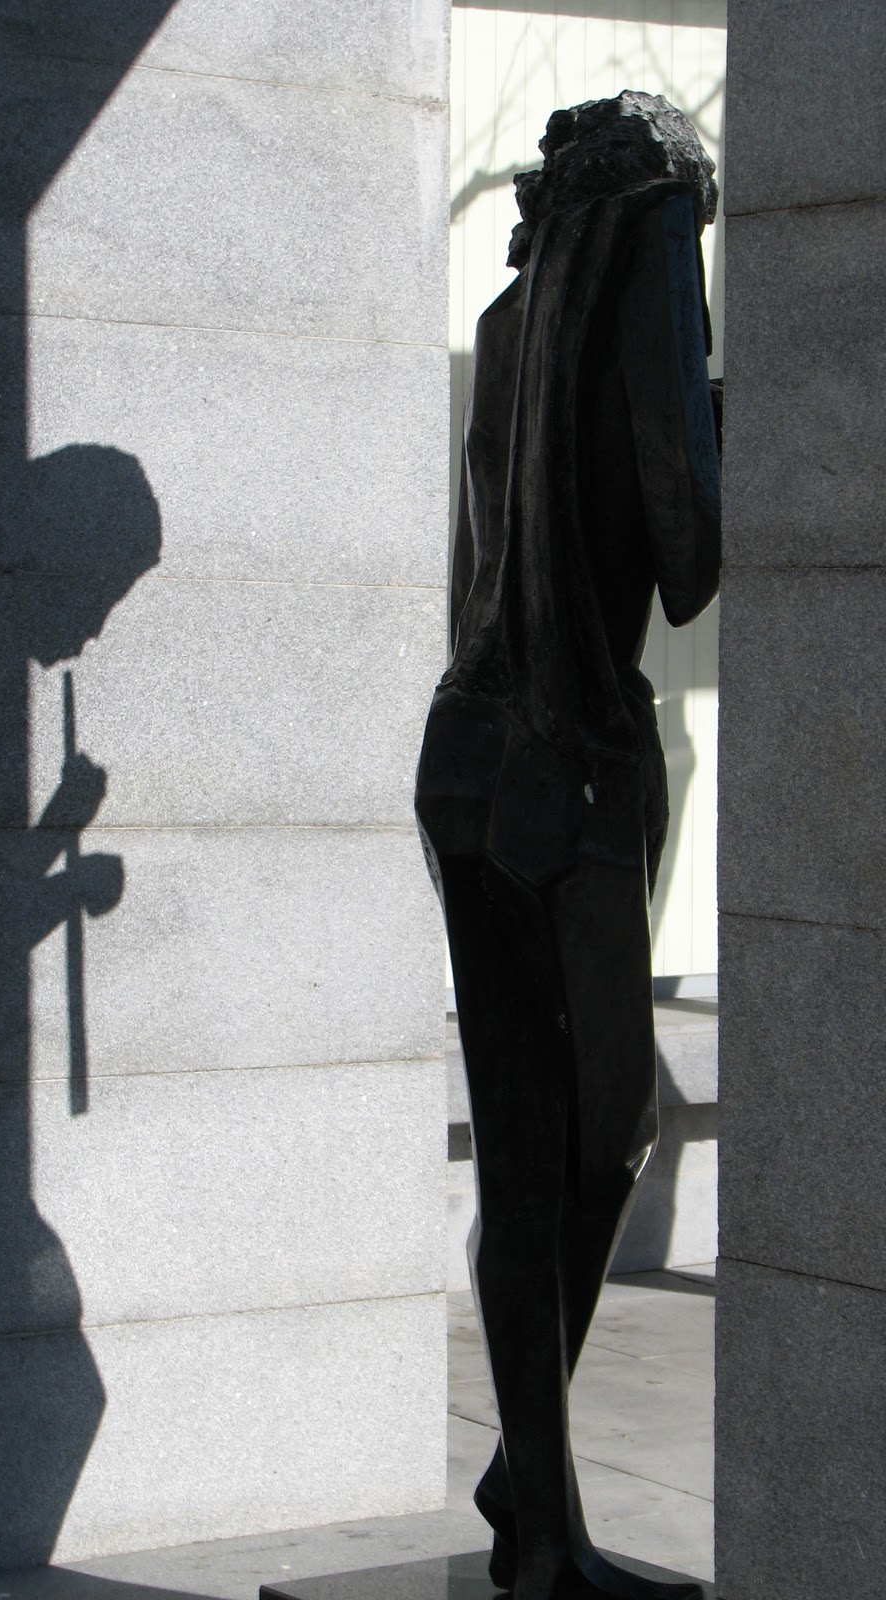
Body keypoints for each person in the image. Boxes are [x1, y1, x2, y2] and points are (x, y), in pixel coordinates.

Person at [415, 92, 721, 1600]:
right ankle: (538, 1520)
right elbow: (691, 556)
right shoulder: (646, 277)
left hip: (464, 754)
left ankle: (529, 1496)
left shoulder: (507, 318)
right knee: (602, 1138)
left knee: (532, 1146)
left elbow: (486, 563)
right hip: (575, 769)